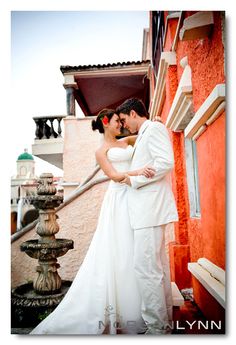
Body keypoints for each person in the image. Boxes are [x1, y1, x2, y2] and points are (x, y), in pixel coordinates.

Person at [30, 109, 155, 335]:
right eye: (118, 121)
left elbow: (146, 133)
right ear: (106, 123)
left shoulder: (125, 140)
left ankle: (138, 308)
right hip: (118, 200)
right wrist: (139, 171)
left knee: (133, 250)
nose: (122, 124)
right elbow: (115, 176)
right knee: (120, 248)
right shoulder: (101, 151)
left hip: (134, 196)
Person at [116, 98, 178, 335]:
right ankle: (163, 324)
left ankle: (156, 328)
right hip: (148, 211)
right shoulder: (146, 132)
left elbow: (166, 162)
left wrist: (135, 180)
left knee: (146, 268)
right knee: (157, 267)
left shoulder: (153, 129)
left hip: (149, 210)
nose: (123, 125)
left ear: (133, 113)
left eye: (123, 120)